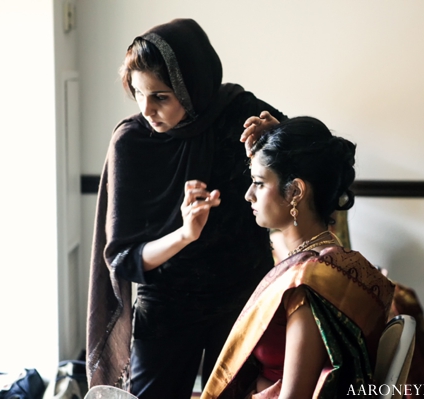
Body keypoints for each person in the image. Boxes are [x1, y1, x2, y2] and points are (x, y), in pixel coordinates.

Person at [85, 18, 286, 399]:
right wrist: (185, 234)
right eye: (138, 94)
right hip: (165, 308)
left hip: (242, 300)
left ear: (192, 88)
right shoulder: (132, 143)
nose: (147, 110)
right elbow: (126, 260)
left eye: (161, 96)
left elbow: (312, 165)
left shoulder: (239, 114)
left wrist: (278, 139)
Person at [201, 116, 395, 399]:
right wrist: (278, 141)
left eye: (258, 183)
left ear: (295, 192)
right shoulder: (331, 259)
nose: (248, 195)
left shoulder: (306, 286)